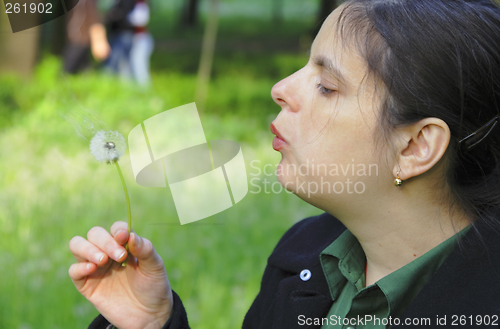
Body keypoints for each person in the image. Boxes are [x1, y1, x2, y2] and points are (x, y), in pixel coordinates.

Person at [69, 0, 500, 328]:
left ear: (415, 147)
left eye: (327, 86)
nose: (280, 89)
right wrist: (154, 322)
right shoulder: (302, 257)